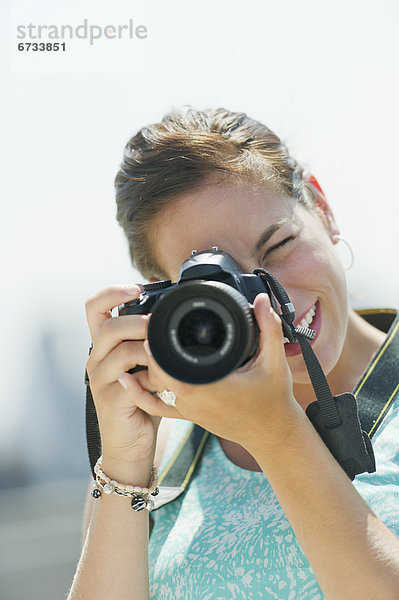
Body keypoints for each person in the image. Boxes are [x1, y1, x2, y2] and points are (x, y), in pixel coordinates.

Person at [68, 107, 399, 600]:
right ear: (166, 298)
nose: (271, 301)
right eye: (220, 284)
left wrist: (277, 435)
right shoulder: (167, 445)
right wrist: (124, 463)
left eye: (280, 245)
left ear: (323, 210)